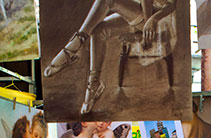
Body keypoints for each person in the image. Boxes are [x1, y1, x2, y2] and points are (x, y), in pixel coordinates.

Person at [43, 0, 177, 115]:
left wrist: (151, 20)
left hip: (158, 21)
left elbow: (171, 4)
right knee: (98, 31)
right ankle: (94, 83)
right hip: (141, 14)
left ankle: (74, 45)